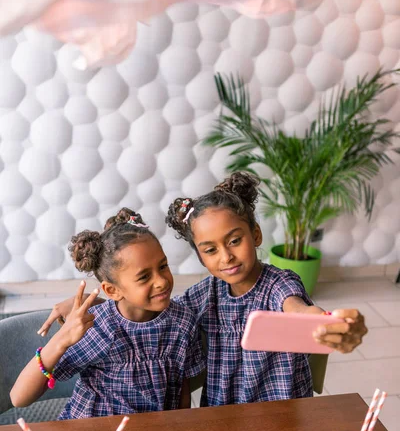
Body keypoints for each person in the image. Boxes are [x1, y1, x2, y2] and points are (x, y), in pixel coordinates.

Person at [37, 173, 367, 406]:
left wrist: (330, 322)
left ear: (256, 234)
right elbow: (154, 305)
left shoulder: (279, 284)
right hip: (222, 421)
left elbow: (299, 310)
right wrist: (94, 301)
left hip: (280, 417)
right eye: (210, 249)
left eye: (235, 240)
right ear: (200, 255)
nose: (226, 257)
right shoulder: (205, 294)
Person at [10, 208, 205, 418]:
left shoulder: (182, 321)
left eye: (163, 266)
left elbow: (182, 384)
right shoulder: (98, 327)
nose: (162, 281)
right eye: (144, 277)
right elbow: (19, 398)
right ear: (112, 290)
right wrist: (61, 339)